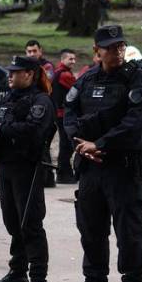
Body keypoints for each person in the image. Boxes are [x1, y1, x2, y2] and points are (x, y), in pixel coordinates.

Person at [63, 24, 142, 282]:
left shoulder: (137, 78)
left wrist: (100, 143)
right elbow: (69, 113)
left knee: (129, 236)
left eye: (120, 46)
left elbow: (135, 123)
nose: (116, 51)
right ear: (96, 51)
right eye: (110, 47)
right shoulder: (87, 78)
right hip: (91, 168)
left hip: (123, 168)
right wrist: (82, 144)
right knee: (91, 232)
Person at [0, 56, 57, 282]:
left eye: (15, 72)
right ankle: (17, 272)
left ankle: (38, 279)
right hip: (6, 165)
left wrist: (1, 129)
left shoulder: (41, 101)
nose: (10, 76)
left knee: (30, 223)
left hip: (28, 168)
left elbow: (34, 131)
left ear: (29, 74)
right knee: (13, 222)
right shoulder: (9, 98)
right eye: (10, 72)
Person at [26, 40, 56, 186]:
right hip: (33, 108)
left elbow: (48, 81)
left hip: (47, 110)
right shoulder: (25, 66)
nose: (32, 54)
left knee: (43, 144)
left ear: (40, 51)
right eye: (29, 51)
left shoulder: (47, 66)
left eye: (34, 51)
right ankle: (45, 177)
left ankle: (47, 178)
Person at [51, 49, 79, 184]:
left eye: (74, 59)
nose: (73, 61)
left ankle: (64, 172)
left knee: (65, 143)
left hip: (58, 112)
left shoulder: (57, 73)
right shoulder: (65, 75)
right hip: (63, 114)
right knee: (67, 144)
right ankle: (64, 173)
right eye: (70, 59)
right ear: (63, 60)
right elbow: (77, 89)